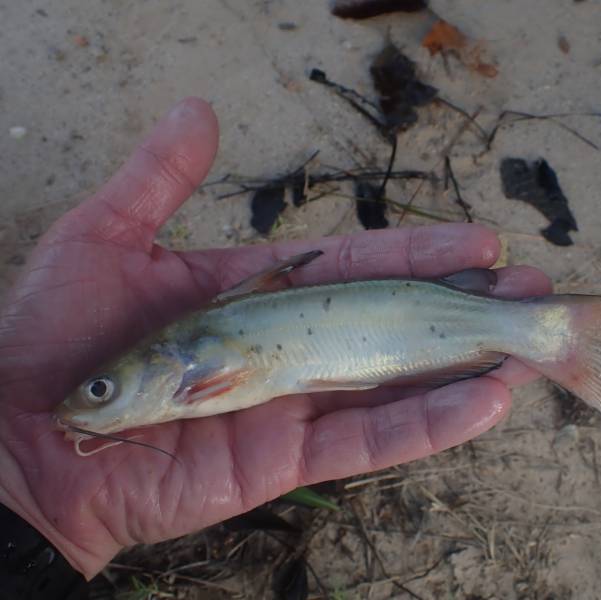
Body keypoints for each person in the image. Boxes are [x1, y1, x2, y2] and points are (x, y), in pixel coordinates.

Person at [0, 98, 551, 597]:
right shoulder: (176, 367)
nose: (92, 400)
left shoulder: (187, 358)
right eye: (100, 390)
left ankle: (563, 336)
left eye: (101, 389)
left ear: (167, 363)